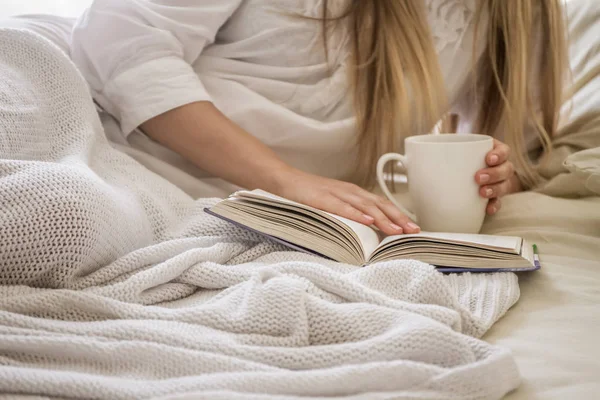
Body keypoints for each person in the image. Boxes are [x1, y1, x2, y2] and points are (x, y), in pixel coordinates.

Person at [6, 0, 568, 236]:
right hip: (75, 111)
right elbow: (120, 39)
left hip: (206, 196)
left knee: (60, 217)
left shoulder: (511, 16)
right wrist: (286, 181)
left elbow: (510, 143)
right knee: (45, 206)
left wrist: (498, 175)